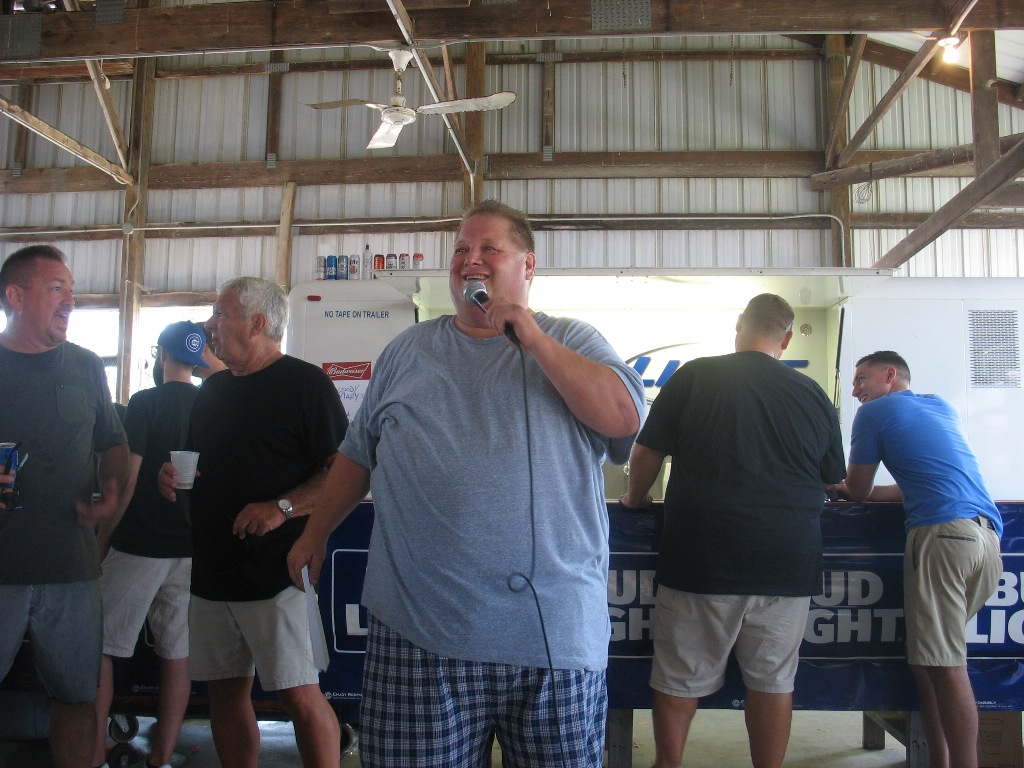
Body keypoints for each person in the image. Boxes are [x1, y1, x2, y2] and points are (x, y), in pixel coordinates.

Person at [287, 200, 646, 768]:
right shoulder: (407, 350)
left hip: (551, 639)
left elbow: (624, 417)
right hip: (418, 636)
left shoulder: (570, 338)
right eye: (460, 249)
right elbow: (356, 457)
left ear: (527, 266)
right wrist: (316, 531)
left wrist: (533, 338)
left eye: (488, 249)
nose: (469, 260)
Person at [619, 293, 846, 768]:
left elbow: (647, 450)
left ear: (739, 325)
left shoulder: (696, 375)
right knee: (773, 680)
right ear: (786, 339)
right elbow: (831, 479)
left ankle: (668, 764)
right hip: (787, 563)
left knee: (680, 677)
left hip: (703, 558)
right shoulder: (813, 394)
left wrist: (635, 499)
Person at [157, 276, 348, 768]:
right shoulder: (211, 390)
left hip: (277, 572)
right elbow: (199, 464)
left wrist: (280, 507)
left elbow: (341, 473)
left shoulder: (306, 384)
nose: (209, 326)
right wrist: (171, 476)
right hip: (212, 572)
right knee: (224, 693)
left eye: (220, 315)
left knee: (299, 695)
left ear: (257, 323)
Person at [837, 350, 1003, 768]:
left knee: (945, 666)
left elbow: (858, 490)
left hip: (941, 537)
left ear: (890, 375)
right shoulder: (939, 406)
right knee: (929, 663)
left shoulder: (874, 414)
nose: (855, 391)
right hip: (986, 540)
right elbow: (911, 486)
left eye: (861, 380)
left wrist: (836, 486)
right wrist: (851, 488)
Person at [0, 244, 130, 768]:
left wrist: (112, 491)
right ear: (16, 297)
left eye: (71, 291)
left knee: (78, 699)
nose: (70, 301)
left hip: (71, 570)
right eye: (57, 289)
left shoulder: (85, 365)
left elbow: (112, 442)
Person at [92, 321, 211, 768]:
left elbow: (128, 480)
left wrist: (103, 540)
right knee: (177, 652)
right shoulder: (208, 404)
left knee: (101, 645)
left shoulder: (145, 403)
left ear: (161, 354)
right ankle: (161, 756)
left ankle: (93, 749)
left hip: (140, 544)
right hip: (191, 549)